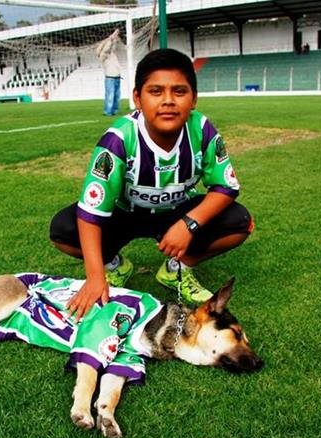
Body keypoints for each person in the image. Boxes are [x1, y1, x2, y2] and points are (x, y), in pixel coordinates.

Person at [50, 48, 254, 320]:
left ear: (193, 98)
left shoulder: (203, 130)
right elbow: (91, 211)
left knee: (240, 222)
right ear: (137, 97)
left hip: (176, 214)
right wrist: (95, 277)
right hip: (125, 215)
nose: (168, 101)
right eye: (156, 91)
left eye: (179, 91)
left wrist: (189, 224)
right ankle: (114, 266)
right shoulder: (118, 140)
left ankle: (175, 268)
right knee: (63, 229)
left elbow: (225, 187)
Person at [96, 28, 122, 116]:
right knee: (110, 96)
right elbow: (108, 47)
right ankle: (108, 112)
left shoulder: (112, 54)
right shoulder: (103, 56)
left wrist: (115, 37)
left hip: (117, 77)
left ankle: (114, 111)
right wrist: (111, 37)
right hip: (110, 78)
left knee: (116, 96)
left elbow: (112, 46)